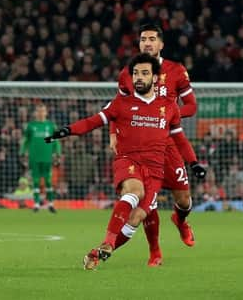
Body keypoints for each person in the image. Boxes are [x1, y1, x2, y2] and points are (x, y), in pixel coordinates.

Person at [45, 53, 199, 270]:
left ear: (155, 78)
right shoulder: (121, 103)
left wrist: (194, 163)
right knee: (134, 191)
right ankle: (108, 240)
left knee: (136, 219)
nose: (139, 77)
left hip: (155, 171)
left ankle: (99, 252)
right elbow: (93, 121)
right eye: (136, 73)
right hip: (128, 160)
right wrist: (68, 130)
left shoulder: (169, 107)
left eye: (145, 73)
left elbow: (180, 139)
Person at [109, 24, 206, 266]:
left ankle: (181, 221)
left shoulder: (176, 71)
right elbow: (116, 109)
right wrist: (113, 133)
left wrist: (164, 117)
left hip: (169, 144)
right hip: (140, 146)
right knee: (146, 202)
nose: (147, 43)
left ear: (161, 44)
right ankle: (155, 252)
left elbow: (192, 106)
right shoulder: (128, 73)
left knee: (184, 199)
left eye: (152, 39)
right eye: (143, 39)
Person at [20, 103, 61, 212]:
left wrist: (58, 153)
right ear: (35, 113)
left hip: (47, 157)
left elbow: (56, 141)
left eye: (42, 111)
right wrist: (22, 152)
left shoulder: (51, 126)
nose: (41, 113)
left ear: (46, 112)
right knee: (36, 180)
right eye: (38, 111)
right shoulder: (31, 126)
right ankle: (37, 204)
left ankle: (51, 203)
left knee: (48, 180)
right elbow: (26, 140)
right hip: (34, 157)